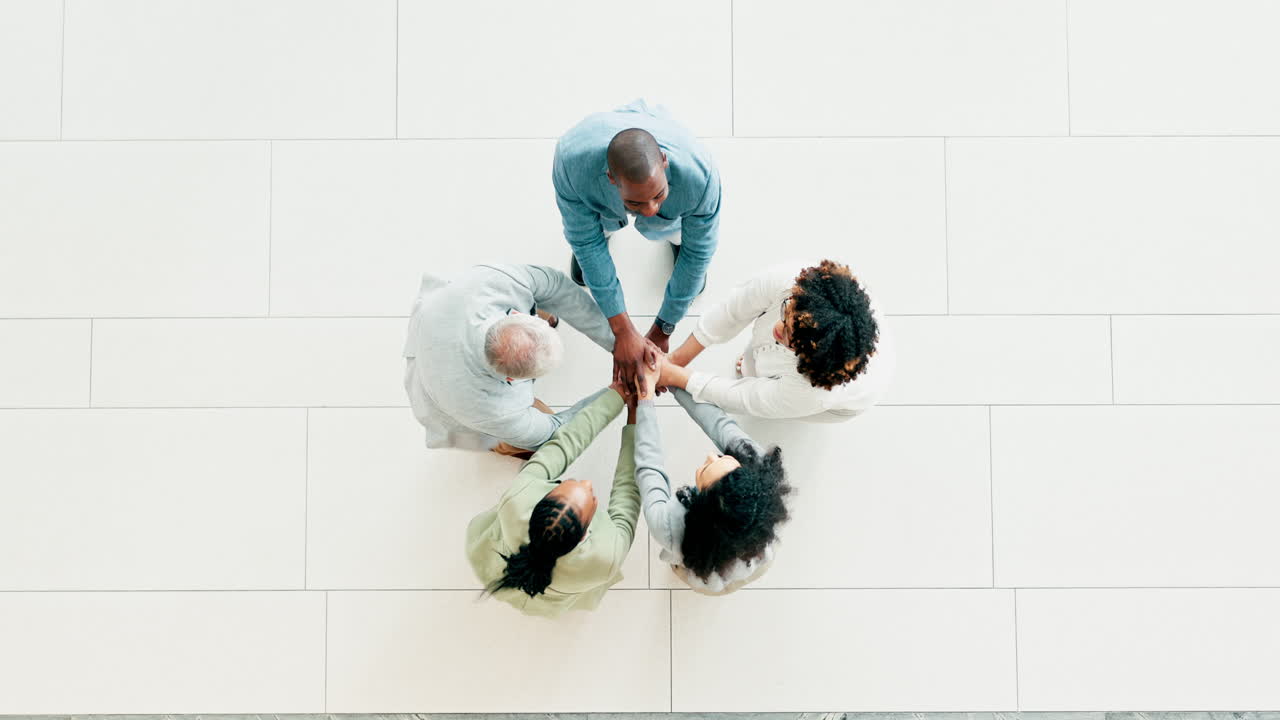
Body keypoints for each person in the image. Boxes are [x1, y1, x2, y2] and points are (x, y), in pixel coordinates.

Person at [553, 99, 721, 397]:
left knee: (677, 232)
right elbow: (584, 240)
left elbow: (699, 253)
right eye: (635, 203)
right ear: (610, 178)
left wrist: (664, 327)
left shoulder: (701, 177)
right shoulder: (571, 164)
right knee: (595, 232)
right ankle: (609, 224)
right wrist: (622, 330)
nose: (649, 210)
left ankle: (672, 236)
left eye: (658, 195)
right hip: (593, 174)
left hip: (680, 183)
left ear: (665, 163)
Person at [403, 263, 614, 456]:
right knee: (531, 443)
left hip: (440, 316)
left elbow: (557, 288)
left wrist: (618, 343)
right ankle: (507, 447)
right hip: (435, 388)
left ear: (513, 314)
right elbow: (555, 432)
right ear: (512, 380)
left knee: (541, 294)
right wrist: (616, 393)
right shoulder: (495, 411)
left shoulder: (495, 282)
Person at [467, 384, 640, 618]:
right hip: (564, 589)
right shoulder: (605, 557)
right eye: (591, 495)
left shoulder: (519, 499)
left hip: (498, 560)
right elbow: (627, 494)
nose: (588, 483)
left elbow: (565, 443)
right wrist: (635, 420)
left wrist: (617, 396)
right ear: (583, 535)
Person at [658, 259, 893, 421]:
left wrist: (676, 376)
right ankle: (757, 366)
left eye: (790, 338)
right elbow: (732, 311)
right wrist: (676, 359)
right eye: (785, 313)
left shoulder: (814, 391)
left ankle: (761, 370)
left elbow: (746, 398)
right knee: (756, 362)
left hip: (838, 402)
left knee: (777, 399)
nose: (776, 329)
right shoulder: (795, 283)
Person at [634, 368, 792, 595]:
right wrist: (672, 380)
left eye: (706, 469)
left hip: (709, 569)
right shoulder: (758, 471)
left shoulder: (668, 526)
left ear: (700, 506)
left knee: (702, 576)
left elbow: (649, 467)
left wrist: (645, 401)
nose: (710, 456)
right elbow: (719, 423)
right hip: (757, 558)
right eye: (722, 458)